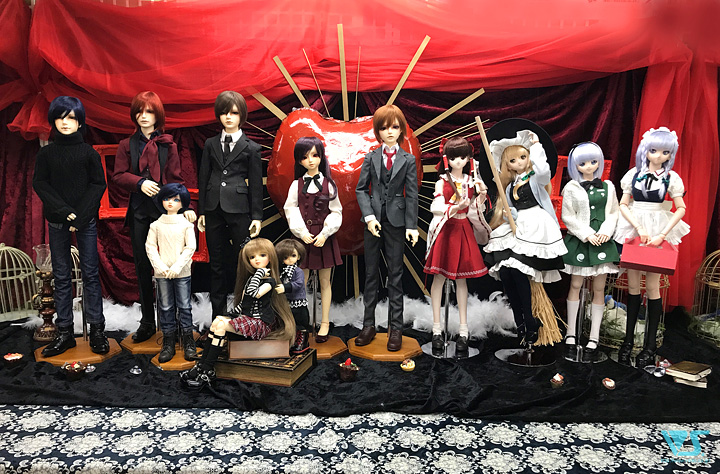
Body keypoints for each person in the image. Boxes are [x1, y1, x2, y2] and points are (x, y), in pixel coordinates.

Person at [113, 91, 195, 343]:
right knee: (142, 266)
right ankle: (148, 322)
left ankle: (176, 324)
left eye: (149, 111)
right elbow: (118, 175)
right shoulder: (126, 145)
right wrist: (140, 183)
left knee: (172, 265)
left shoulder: (169, 145)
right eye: (139, 111)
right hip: (139, 213)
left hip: (166, 216)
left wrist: (185, 207)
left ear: (157, 115)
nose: (144, 116)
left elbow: (176, 180)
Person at [33, 96, 109, 356]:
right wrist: (65, 212)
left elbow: (98, 185)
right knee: (62, 276)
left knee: (90, 274)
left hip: (85, 221)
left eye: (71, 118)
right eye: (60, 117)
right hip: (57, 221)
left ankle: (97, 330)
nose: (65, 122)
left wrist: (79, 216)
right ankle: (64, 332)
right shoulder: (46, 153)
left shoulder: (89, 153)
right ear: (53, 121)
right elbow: (41, 184)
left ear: (80, 122)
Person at [613, 127, 689, 368]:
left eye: (665, 152)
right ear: (645, 150)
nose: (658, 156)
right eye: (654, 150)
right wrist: (637, 227)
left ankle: (649, 346)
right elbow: (623, 204)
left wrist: (663, 234)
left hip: (658, 227)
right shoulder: (633, 175)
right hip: (635, 226)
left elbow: (681, 208)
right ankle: (627, 341)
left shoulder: (671, 178)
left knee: (653, 287)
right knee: (633, 286)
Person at [484, 129, 567, 345]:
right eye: (513, 160)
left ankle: (529, 319)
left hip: (537, 227)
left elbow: (544, 172)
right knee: (506, 271)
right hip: (520, 226)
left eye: (523, 157)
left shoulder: (536, 178)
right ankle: (520, 321)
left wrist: (536, 146)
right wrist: (509, 214)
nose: (519, 162)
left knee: (518, 270)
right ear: (508, 165)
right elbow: (512, 210)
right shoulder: (511, 185)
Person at [180, 238, 295, 389]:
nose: (257, 260)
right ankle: (202, 366)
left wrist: (259, 274)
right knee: (218, 321)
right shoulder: (252, 279)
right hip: (248, 319)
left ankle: (207, 369)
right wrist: (231, 316)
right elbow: (244, 303)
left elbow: (254, 293)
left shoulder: (270, 282)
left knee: (221, 326)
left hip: (259, 324)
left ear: (270, 257)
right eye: (252, 257)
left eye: (262, 255)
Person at [355, 105, 419, 351]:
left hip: (397, 221)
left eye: (394, 127)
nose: (389, 131)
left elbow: (411, 194)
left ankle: (396, 328)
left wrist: (411, 225)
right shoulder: (370, 157)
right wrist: (369, 217)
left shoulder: (408, 159)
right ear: (377, 131)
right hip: (373, 222)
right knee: (371, 274)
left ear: (401, 130)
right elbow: (361, 189)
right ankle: (368, 325)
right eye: (384, 127)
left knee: (396, 275)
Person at [198, 91, 263, 319]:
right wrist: (202, 211)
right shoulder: (210, 144)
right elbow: (203, 177)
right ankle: (218, 316)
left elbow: (256, 184)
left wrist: (257, 216)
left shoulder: (252, 148)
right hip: (213, 208)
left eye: (234, 113)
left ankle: (243, 314)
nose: (228, 117)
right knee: (216, 263)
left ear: (241, 115)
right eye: (224, 112)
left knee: (243, 261)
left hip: (239, 208)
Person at [424, 137, 490, 357]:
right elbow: (436, 207)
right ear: (447, 159)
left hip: (463, 230)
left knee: (462, 281)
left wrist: (481, 194)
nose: (459, 161)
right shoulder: (442, 182)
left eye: (462, 157)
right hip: (446, 231)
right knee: (438, 280)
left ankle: (463, 331)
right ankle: (436, 329)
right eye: (454, 157)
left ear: (469, 158)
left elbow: (475, 210)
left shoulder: (472, 181)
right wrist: (454, 207)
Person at [560, 142, 619, 362]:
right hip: (581, 241)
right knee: (575, 285)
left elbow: (613, 212)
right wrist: (586, 234)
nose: (589, 166)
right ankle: (571, 333)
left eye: (593, 162)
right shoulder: (571, 188)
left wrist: (605, 232)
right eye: (583, 163)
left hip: (602, 241)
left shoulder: (608, 186)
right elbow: (568, 216)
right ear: (575, 165)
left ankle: (594, 337)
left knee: (599, 288)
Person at [282, 136, 342, 343]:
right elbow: (290, 209)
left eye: (315, 155)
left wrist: (325, 232)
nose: (311, 160)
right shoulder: (296, 185)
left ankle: (324, 322)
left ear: (321, 157)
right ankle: (300, 323)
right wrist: (301, 232)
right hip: (303, 238)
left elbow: (336, 211)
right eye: (305, 157)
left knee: (325, 281)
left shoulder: (329, 185)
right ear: (299, 160)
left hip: (324, 236)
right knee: (299, 282)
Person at [145, 183, 197, 363]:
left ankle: (188, 339)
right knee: (166, 306)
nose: (170, 203)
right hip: (162, 273)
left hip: (182, 272)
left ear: (182, 203)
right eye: (167, 199)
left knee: (185, 306)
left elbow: (190, 247)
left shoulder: (186, 225)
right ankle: (168, 340)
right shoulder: (156, 225)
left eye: (175, 200)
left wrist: (176, 267)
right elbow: (150, 247)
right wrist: (160, 267)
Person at [275, 239, 311, 354]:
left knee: (300, 322)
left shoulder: (298, 271)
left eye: (293, 255)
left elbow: (299, 284)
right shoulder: (283, 272)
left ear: (299, 256)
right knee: (290, 322)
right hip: (288, 301)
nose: (290, 259)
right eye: (285, 257)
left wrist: (285, 287)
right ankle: (292, 340)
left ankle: (303, 341)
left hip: (298, 302)